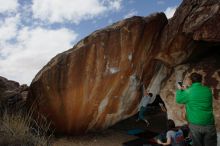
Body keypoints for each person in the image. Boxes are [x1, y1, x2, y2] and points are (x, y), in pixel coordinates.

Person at [176, 72, 217, 146]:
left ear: (191, 81)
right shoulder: (208, 90)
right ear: (201, 80)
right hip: (209, 123)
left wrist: (180, 90)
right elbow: (197, 94)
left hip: (195, 124)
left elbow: (179, 100)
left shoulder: (188, 92)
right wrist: (187, 89)